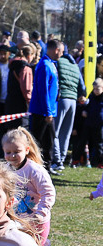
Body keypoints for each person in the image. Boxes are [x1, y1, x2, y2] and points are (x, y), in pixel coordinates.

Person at [1, 126, 56, 246]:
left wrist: (41, 213)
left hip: (36, 220)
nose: (12, 156)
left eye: (17, 151)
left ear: (26, 150)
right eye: (8, 152)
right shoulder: (5, 169)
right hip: (16, 220)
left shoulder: (35, 171)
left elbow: (48, 193)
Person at [52, 42, 85, 172]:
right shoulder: (75, 66)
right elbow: (82, 87)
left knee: (55, 131)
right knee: (66, 133)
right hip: (73, 101)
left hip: (62, 99)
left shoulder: (58, 63)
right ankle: (62, 158)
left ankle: (57, 160)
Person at [29, 39, 60, 167]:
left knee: (49, 141)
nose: (61, 54)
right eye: (61, 52)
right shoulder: (45, 65)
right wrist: (47, 111)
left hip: (50, 110)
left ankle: (47, 167)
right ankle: (36, 168)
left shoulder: (52, 64)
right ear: (56, 50)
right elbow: (43, 91)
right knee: (38, 142)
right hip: (42, 112)